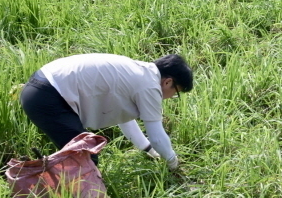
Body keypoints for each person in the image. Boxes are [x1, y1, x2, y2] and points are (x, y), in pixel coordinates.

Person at [19, 53, 192, 171]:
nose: (171, 97)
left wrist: (148, 149)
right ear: (168, 82)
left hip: (39, 88)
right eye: (176, 93)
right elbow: (157, 137)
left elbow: (124, 118)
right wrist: (174, 164)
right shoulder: (150, 86)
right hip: (49, 96)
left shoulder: (139, 72)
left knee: (81, 157)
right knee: (85, 159)